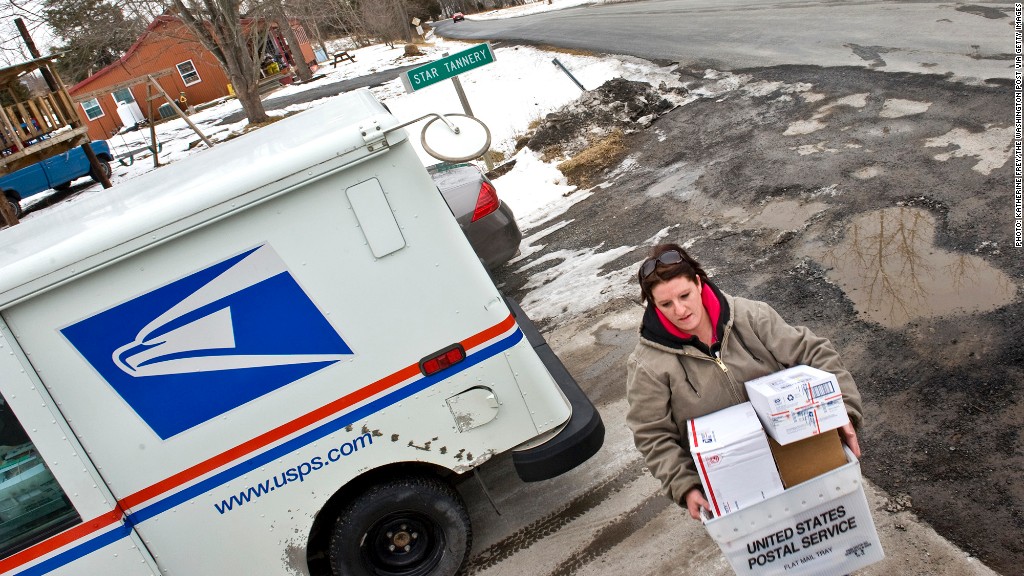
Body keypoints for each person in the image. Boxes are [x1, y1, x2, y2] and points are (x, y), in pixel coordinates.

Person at [625, 243, 863, 520]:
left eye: (685, 295)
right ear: (653, 305)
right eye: (666, 304)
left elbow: (814, 352)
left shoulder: (751, 316)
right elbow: (652, 434)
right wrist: (685, 485)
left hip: (803, 459)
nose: (680, 310)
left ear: (699, 284)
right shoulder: (647, 365)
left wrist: (842, 411)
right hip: (736, 492)